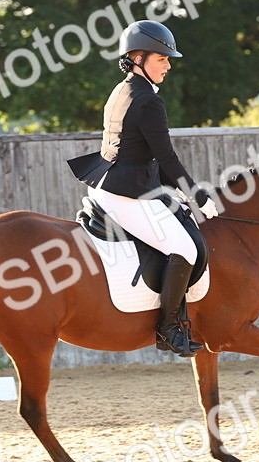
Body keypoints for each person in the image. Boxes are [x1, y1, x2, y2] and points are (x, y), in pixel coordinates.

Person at [67, 20, 219, 357]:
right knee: (187, 250)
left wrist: (171, 190)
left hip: (114, 185)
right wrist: (198, 196)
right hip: (125, 195)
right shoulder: (149, 102)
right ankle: (168, 329)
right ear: (137, 58)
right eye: (161, 59)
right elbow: (167, 156)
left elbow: (140, 153)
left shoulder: (123, 90)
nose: (168, 65)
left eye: (168, 60)